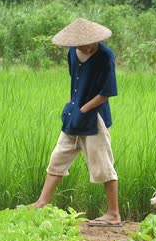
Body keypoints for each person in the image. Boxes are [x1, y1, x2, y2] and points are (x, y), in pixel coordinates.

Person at [31, 18, 121, 227]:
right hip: (73, 115)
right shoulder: (72, 53)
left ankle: (114, 214)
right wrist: (76, 109)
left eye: (91, 42)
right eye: (82, 44)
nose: (87, 47)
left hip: (94, 118)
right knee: (58, 158)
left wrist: (84, 108)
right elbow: (75, 82)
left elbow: (107, 92)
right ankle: (41, 203)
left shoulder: (105, 56)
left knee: (103, 165)